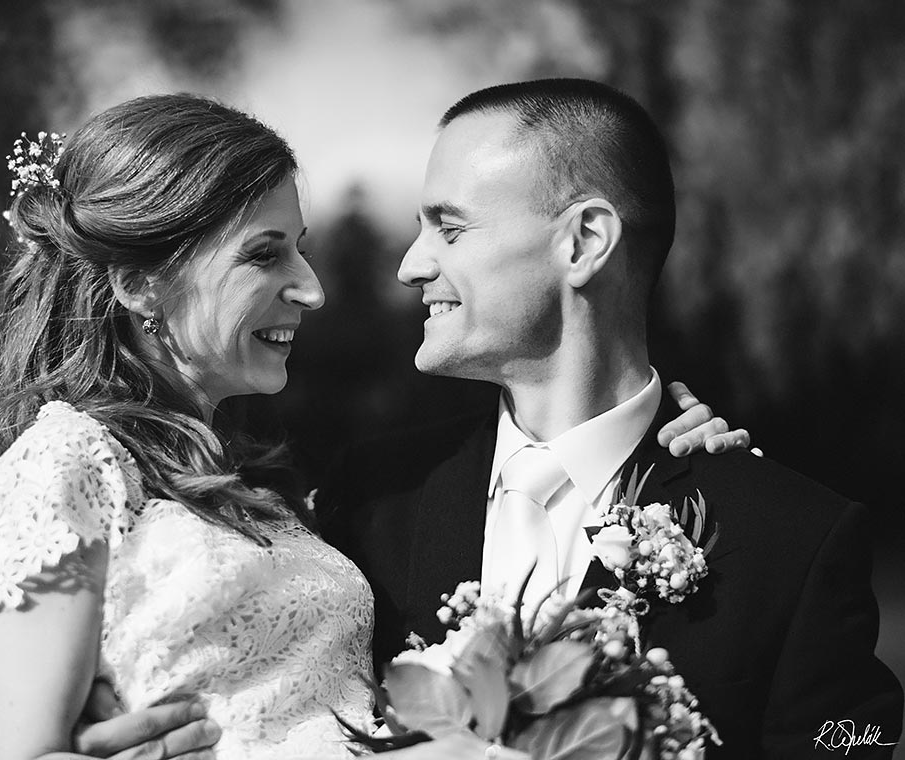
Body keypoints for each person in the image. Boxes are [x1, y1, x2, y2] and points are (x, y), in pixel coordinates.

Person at [0, 92, 749, 760]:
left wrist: (667, 449)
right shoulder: (58, 466)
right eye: (265, 255)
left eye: (300, 248)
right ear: (137, 282)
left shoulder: (269, 484)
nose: (312, 288)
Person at [316, 79, 903, 759]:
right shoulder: (370, 497)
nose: (411, 266)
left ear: (585, 241)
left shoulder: (792, 541)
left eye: (449, 227)